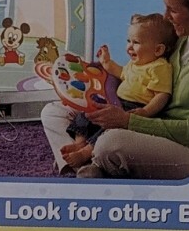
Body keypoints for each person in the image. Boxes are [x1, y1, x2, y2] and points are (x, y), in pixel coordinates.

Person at [41, 0, 189, 179]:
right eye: (166, 7)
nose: (166, 17)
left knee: (110, 143)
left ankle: (92, 164)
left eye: (173, 10)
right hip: (147, 122)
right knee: (54, 112)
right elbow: (141, 71)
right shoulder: (179, 39)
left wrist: (128, 121)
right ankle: (83, 168)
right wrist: (97, 77)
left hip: (187, 147)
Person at [60, 12, 177, 170]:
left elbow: (162, 95)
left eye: (136, 42)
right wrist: (106, 62)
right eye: (128, 41)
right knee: (87, 113)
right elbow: (120, 72)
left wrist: (146, 111)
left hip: (134, 107)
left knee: (109, 128)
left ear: (158, 50)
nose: (129, 47)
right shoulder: (134, 64)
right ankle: (79, 142)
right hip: (116, 102)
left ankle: (85, 152)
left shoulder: (159, 67)